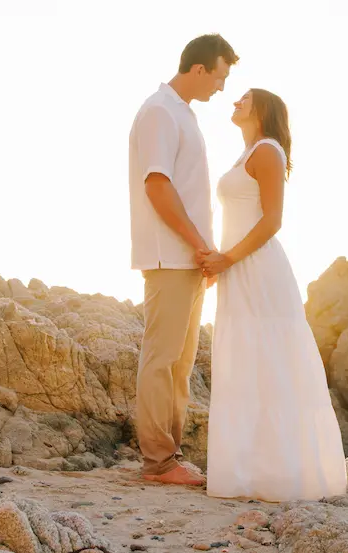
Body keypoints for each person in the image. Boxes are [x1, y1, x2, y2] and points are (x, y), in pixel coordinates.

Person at [199, 88, 348, 502]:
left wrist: (227, 258)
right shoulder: (246, 153)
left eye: (244, 99)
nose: (234, 103)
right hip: (236, 267)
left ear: (262, 111)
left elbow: (272, 220)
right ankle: (248, 474)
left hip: (258, 269)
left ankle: (281, 476)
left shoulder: (267, 151)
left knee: (269, 363)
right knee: (245, 363)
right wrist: (220, 261)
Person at [129, 33, 238, 486]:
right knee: (162, 359)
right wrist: (197, 243)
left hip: (189, 258)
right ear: (200, 68)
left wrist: (202, 252)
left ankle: (168, 456)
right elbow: (157, 185)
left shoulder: (180, 114)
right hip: (171, 254)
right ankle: (158, 462)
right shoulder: (159, 111)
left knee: (180, 362)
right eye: (220, 75)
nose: (222, 86)